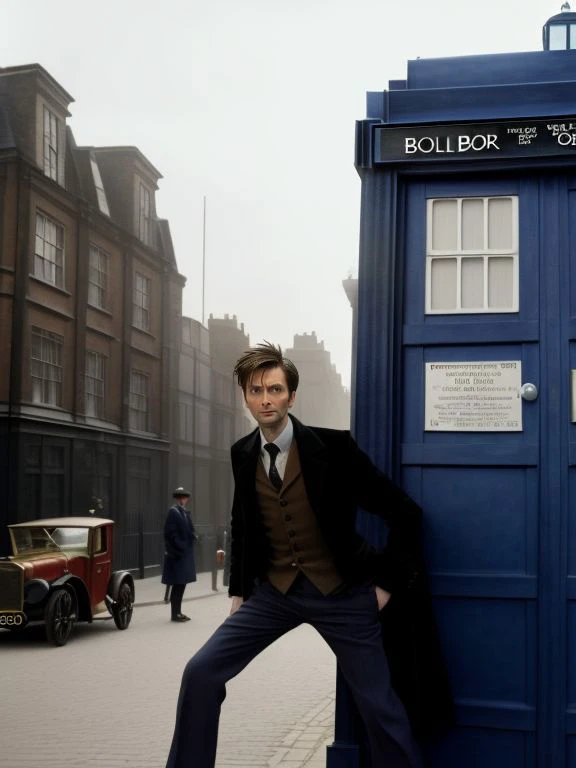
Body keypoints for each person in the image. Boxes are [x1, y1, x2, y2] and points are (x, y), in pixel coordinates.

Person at [165, 343, 452, 767]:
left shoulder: (333, 449)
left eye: (275, 389)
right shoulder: (242, 453)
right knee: (201, 671)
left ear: (291, 396)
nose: (266, 399)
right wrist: (239, 591)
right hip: (275, 594)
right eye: (256, 390)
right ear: (245, 397)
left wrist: (386, 584)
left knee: (380, 707)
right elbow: (243, 521)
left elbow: (405, 513)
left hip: (343, 593)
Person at [162, 487, 197, 623]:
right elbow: (170, 533)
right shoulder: (173, 512)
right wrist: (180, 546)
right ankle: (174, 614)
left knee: (181, 585)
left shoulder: (185, 512)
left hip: (184, 555)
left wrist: (194, 535)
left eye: (185, 497)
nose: (183, 500)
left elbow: (189, 528)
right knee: (177, 585)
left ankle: (178, 612)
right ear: (177, 499)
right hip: (176, 555)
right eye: (181, 498)